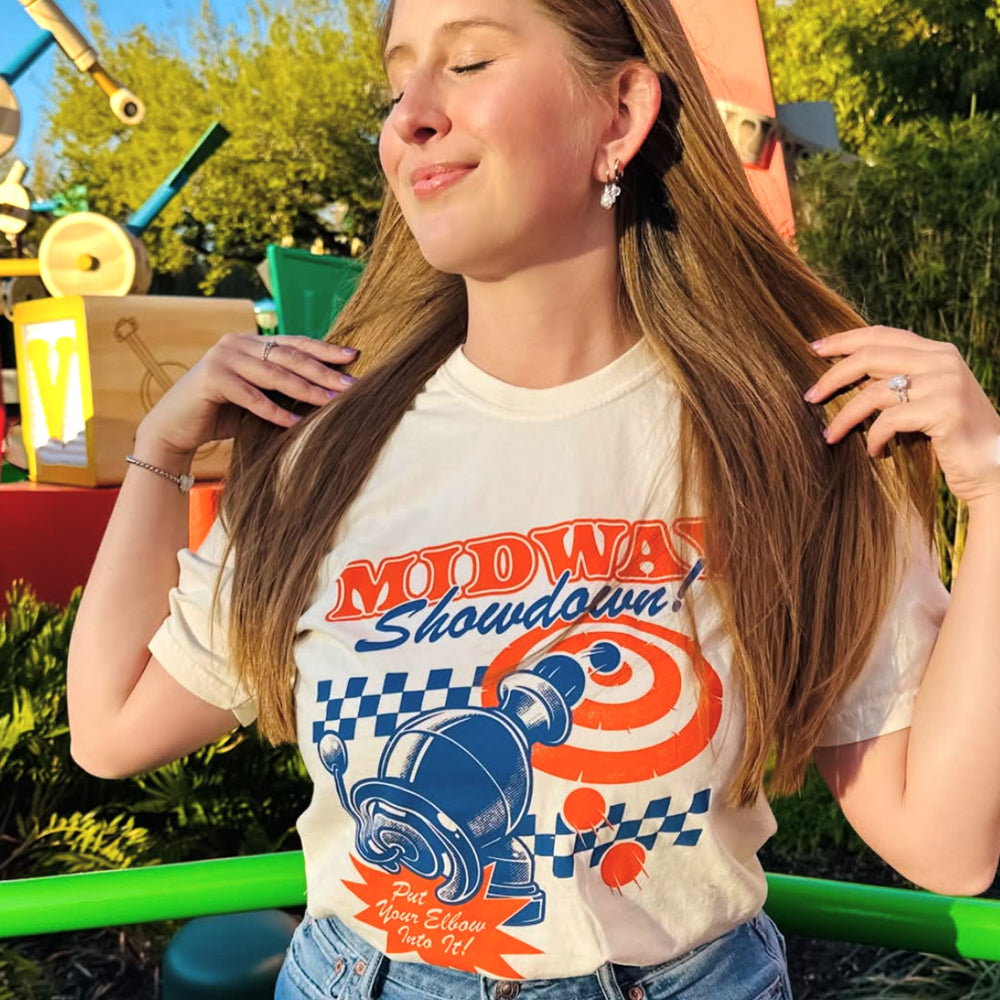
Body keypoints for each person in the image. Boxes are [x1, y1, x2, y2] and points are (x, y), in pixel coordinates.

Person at [67, 0, 1000, 998]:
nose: (409, 118)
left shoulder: (784, 444)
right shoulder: (326, 450)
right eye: (395, 86)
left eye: (469, 62)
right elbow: (112, 729)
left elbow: (944, 844)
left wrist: (992, 489)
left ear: (621, 112)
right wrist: (161, 451)